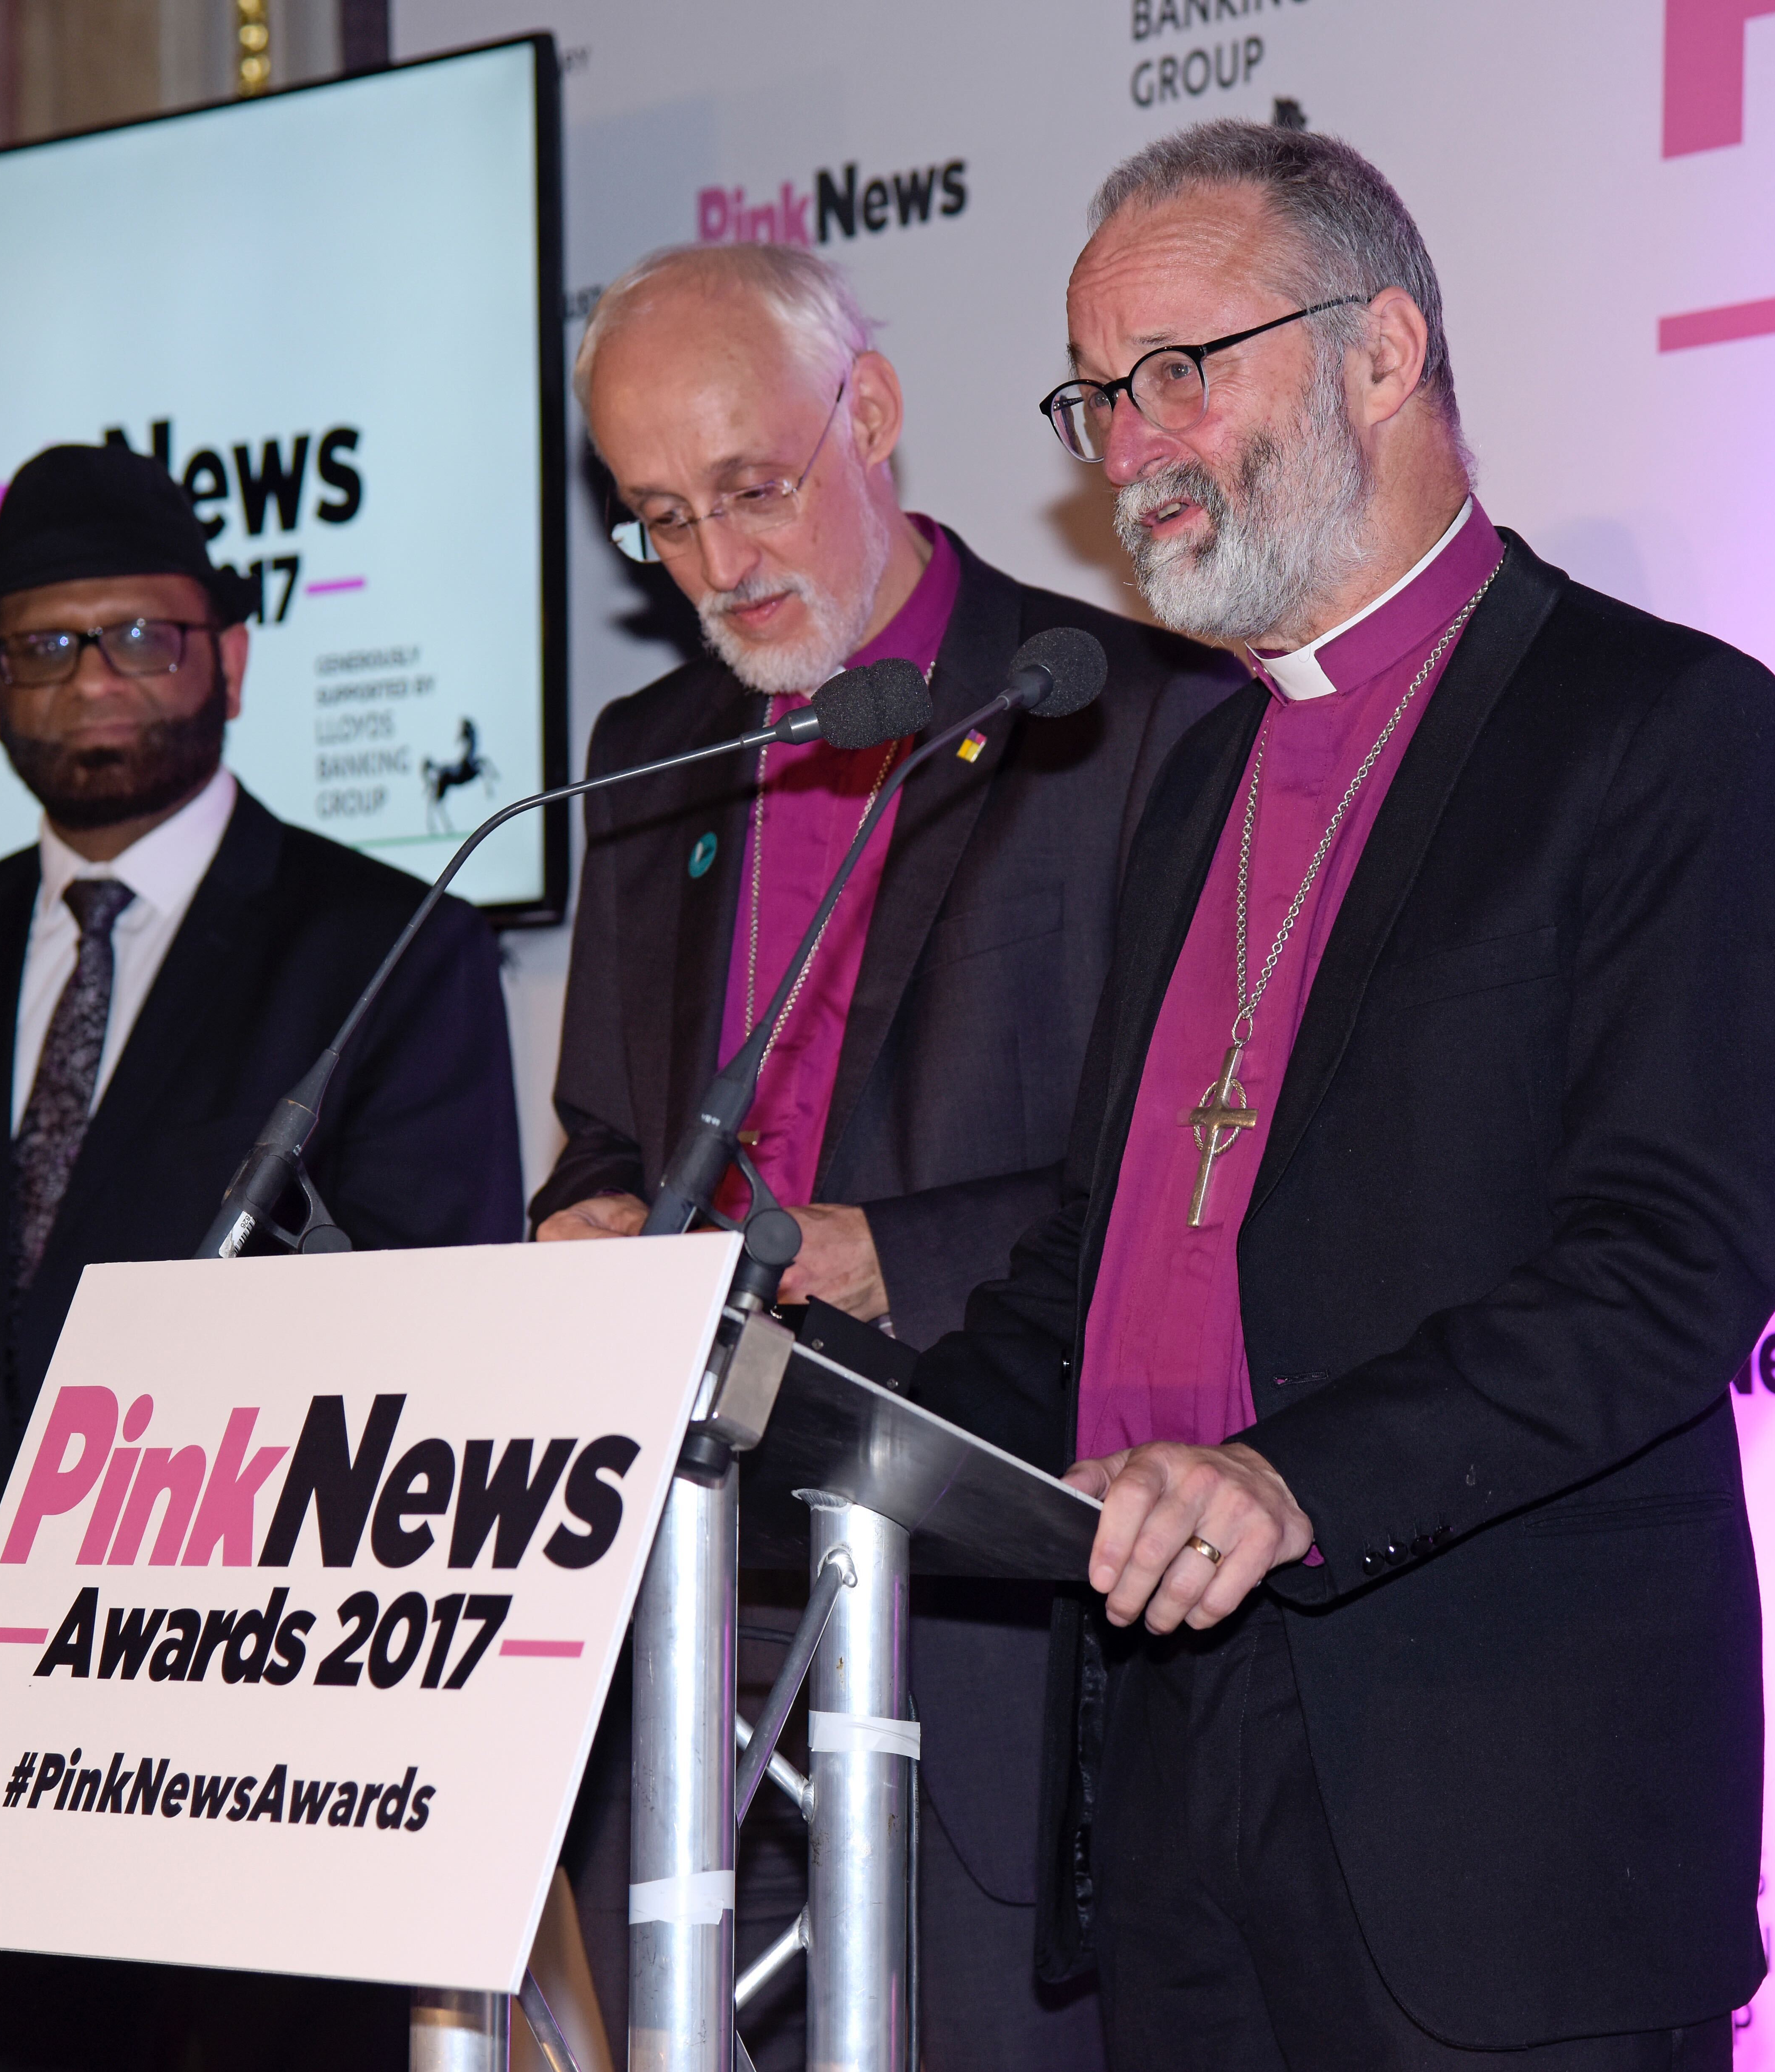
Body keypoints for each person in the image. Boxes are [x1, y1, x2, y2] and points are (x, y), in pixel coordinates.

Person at [913, 119, 1775, 2069]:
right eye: (1095, 396)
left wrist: (1290, 1477)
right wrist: (789, 1410)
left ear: (1381, 353)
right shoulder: (1187, 781)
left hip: (1502, 1798)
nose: (1126, 447)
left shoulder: (1664, 729)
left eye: (1177, 372)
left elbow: (1673, 1261)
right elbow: (1097, 1273)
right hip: (1169, 1762)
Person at [531, 242, 1241, 2071]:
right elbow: (606, 1127)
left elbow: (1198, 1176)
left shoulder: (1136, 715)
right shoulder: (646, 750)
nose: (718, 564)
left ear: (871, 410)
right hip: (685, 1613)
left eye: (750, 489)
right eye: (660, 520)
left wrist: (887, 1254)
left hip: (980, 1613)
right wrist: (585, 1219)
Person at [0, 442, 524, 2070]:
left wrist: (141, 1639)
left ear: (231, 658)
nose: (94, 677)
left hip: (267, 1770)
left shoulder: (390, 944)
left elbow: (424, 1344)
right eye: (45, 644)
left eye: (141, 634)